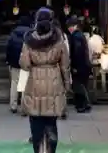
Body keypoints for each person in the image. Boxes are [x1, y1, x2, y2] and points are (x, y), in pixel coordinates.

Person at [20, 8, 71, 153]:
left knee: (35, 122)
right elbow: (65, 65)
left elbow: (24, 64)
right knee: (51, 121)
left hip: (34, 81)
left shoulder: (29, 40)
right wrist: (67, 85)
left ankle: (37, 149)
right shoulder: (59, 39)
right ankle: (50, 150)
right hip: (54, 81)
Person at [5, 15, 32, 113]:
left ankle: (13, 105)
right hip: (26, 63)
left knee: (14, 83)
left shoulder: (13, 33)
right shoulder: (30, 34)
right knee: (25, 84)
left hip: (14, 62)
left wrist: (8, 60)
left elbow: (8, 48)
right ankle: (24, 107)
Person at [67, 16, 92, 113]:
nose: (69, 29)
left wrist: (74, 66)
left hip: (79, 66)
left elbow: (77, 52)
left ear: (75, 26)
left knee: (78, 86)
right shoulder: (81, 35)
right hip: (84, 65)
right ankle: (83, 104)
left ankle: (82, 104)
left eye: (70, 26)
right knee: (82, 85)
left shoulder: (75, 36)